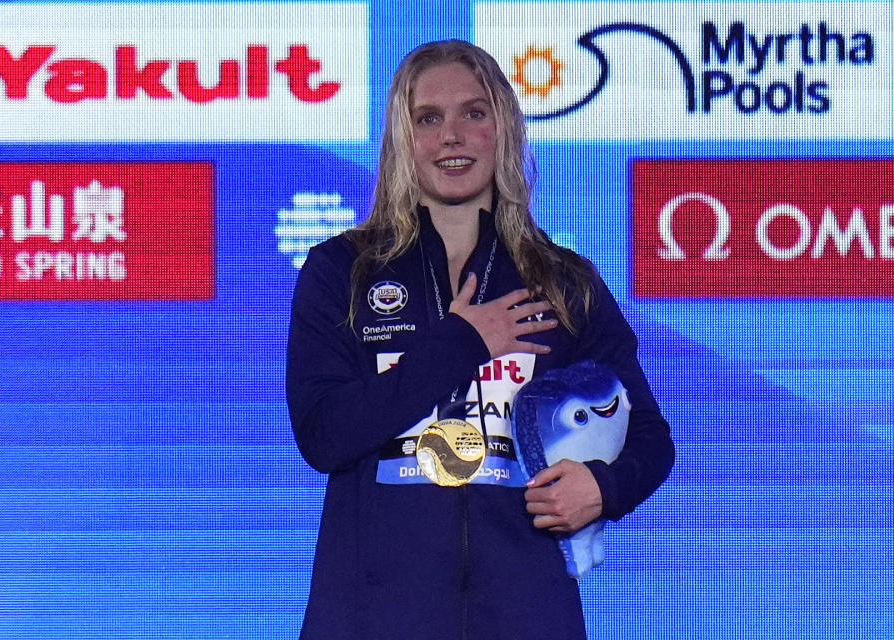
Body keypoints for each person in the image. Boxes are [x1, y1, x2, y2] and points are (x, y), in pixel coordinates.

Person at [287, 39, 674, 640]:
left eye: (474, 113)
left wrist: (604, 485)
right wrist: (460, 342)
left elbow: (648, 436)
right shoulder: (344, 271)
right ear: (401, 139)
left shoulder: (562, 280)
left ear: (505, 129)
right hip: (371, 618)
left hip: (527, 613)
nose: (452, 136)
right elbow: (324, 434)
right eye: (428, 118)